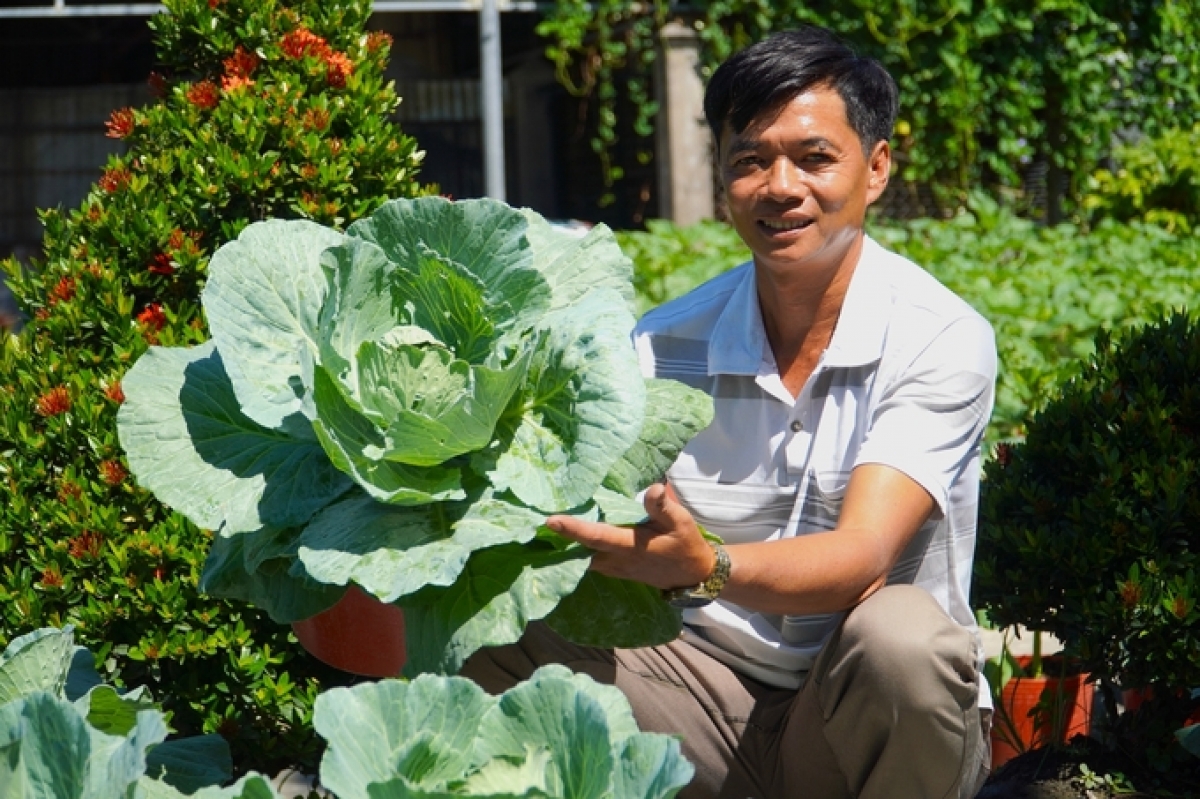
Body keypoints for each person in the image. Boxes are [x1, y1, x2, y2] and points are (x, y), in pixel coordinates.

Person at [462, 25, 997, 799]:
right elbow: (604, 508)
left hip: (856, 719)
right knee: (489, 623)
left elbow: (862, 558)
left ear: (876, 168)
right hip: (696, 703)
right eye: (750, 160)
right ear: (723, 179)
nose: (780, 185)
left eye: (814, 157)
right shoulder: (661, 342)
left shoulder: (938, 336)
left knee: (902, 639)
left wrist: (704, 565)